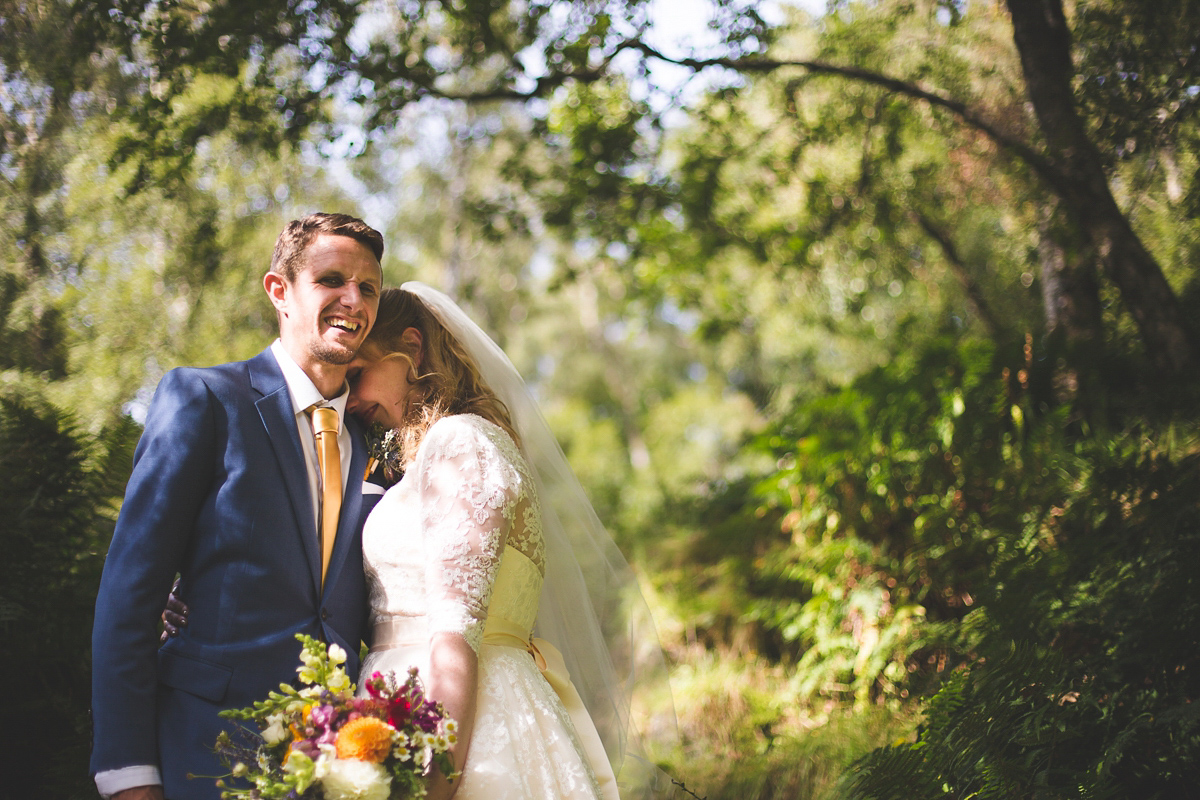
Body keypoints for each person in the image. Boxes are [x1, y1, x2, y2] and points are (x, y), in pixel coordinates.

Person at [90, 213, 387, 800]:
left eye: (369, 288)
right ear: (280, 290)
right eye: (331, 280)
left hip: (338, 769)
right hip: (204, 755)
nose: (353, 300)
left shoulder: (379, 441)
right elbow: (128, 599)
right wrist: (128, 775)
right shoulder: (205, 400)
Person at [345, 283, 676, 800]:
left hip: (462, 723)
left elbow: (456, 633)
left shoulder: (461, 444)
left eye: (359, 374)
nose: (353, 396)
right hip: (405, 712)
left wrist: (439, 777)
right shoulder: (438, 455)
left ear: (411, 348)